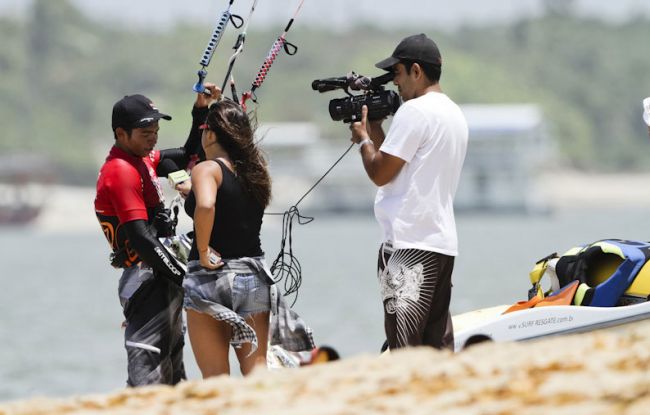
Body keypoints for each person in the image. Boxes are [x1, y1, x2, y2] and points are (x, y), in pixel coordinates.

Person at [349, 33, 468, 351]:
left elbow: (379, 172)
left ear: (416, 71)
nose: (395, 84)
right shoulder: (454, 113)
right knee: (437, 347)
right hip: (441, 245)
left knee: (405, 349)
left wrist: (362, 139)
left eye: (398, 74)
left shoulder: (414, 112)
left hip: (407, 248)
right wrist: (374, 126)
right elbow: (399, 162)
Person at [181, 93, 314, 377]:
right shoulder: (255, 173)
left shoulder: (207, 169)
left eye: (204, 129)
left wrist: (203, 250)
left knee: (215, 377)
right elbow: (229, 207)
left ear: (212, 135)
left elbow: (206, 205)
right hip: (251, 277)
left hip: (209, 279)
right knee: (256, 370)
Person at [94, 85, 218, 386]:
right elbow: (141, 240)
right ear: (121, 134)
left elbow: (191, 154)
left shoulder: (143, 159)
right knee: (147, 376)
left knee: (174, 371)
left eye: (156, 130)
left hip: (162, 275)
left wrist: (200, 109)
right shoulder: (121, 170)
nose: (153, 137)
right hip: (146, 278)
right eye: (144, 132)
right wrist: (186, 277)